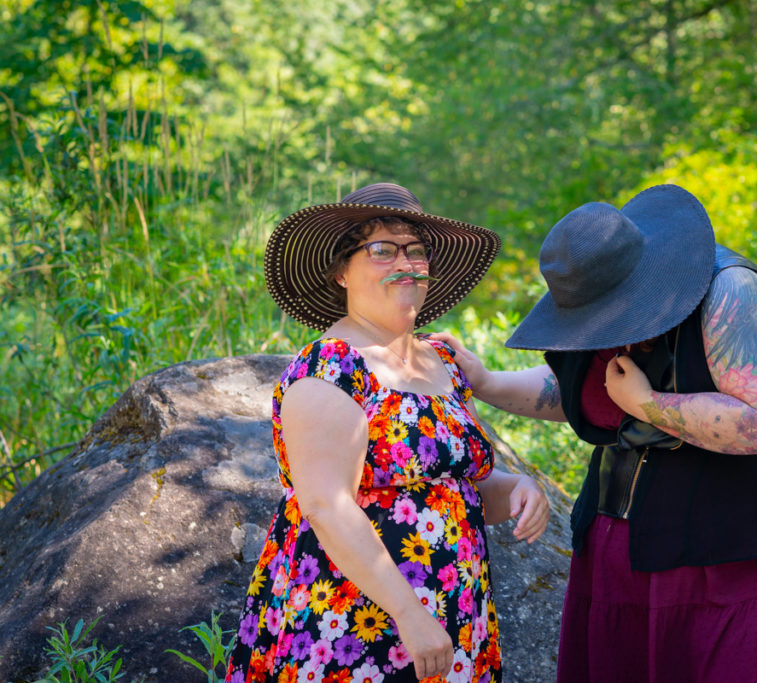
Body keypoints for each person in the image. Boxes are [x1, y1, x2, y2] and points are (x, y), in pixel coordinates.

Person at [431, 184, 757, 682]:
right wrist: (486, 383)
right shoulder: (597, 297)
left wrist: (649, 406)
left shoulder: (732, 292)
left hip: (740, 544)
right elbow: (582, 389)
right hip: (624, 548)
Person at [226, 183, 550, 683]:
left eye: (416, 250)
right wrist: (410, 614)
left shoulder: (442, 362)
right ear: (341, 271)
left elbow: (450, 488)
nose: (406, 262)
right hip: (356, 621)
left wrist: (520, 489)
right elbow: (326, 506)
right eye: (381, 249)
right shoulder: (331, 367)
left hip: (456, 615)